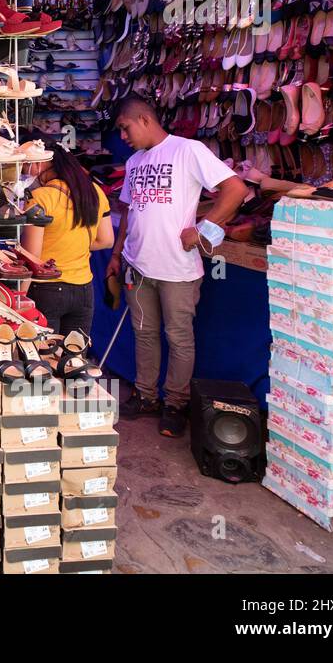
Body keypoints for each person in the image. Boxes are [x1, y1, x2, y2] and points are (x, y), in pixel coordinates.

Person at [106, 95, 247, 438]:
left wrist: (202, 228)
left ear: (143, 119)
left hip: (178, 269)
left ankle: (176, 403)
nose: (123, 137)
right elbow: (128, 210)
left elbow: (236, 189)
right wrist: (117, 252)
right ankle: (146, 395)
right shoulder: (136, 161)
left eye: (124, 128)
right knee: (145, 334)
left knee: (179, 337)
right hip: (139, 265)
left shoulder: (188, 150)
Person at [20, 140, 114, 336]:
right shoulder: (95, 192)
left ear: (43, 163)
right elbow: (106, 240)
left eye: (26, 163)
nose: (25, 169)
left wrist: (19, 297)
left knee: (41, 360)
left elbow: (32, 257)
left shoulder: (41, 197)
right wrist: (71, 243)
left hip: (46, 289)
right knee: (74, 361)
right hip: (83, 289)